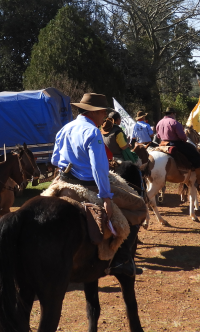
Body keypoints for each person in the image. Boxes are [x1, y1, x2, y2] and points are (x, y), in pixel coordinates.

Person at [51, 93, 143, 277]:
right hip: (89, 185)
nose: (104, 118)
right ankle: (121, 260)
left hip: (65, 181)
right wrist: (106, 197)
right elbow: (99, 168)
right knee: (139, 206)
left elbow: (55, 159)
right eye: (103, 113)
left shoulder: (65, 128)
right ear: (96, 112)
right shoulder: (92, 132)